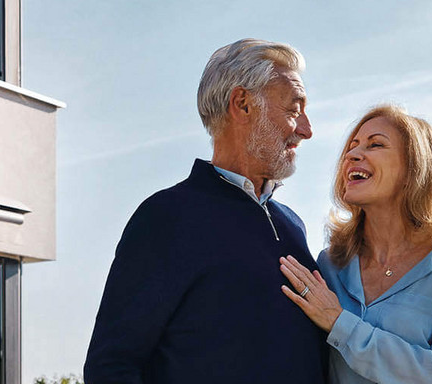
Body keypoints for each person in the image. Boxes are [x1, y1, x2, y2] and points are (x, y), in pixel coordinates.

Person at [84, 38, 329, 384]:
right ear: (242, 104)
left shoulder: (293, 225)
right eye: (293, 109)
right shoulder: (166, 218)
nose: (306, 129)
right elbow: (111, 367)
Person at [279, 105, 432, 383]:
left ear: (414, 167)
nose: (352, 154)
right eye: (352, 147)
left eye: (375, 144)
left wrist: (341, 324)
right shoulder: (329, 265)